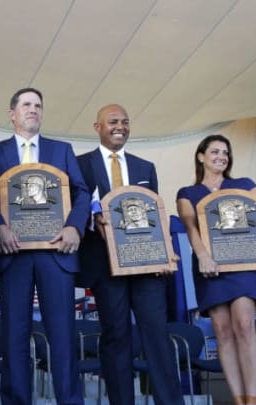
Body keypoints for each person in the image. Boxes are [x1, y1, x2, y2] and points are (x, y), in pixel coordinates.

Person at [0, 88, 89, 405]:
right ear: (12, 113)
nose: (33, 110)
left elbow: (81, 192)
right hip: (13, 255)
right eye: (26, 105)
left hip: (57, 253)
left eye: (38, 105)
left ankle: (70, 401)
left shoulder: (62, 149)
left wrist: (74, 227)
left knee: (63, 337)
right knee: (14, 335)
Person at [76, 104, 184, 405]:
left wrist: (163, 254)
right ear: (97, 127)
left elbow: (155, 216)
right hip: (104, 266)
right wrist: (90, 218)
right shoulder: (80, 164)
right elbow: (74, 206)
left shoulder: (145, 166)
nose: (119, 127)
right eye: (112, 122)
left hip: (147, 266)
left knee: (157, 337)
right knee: (116, 337)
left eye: (125, 122)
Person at [176, 134, 256, 405]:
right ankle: (238, 399)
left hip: (245, 265)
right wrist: (203, 256)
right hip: (210, 268)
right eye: (214, 151)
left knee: (245, 325)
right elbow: (190, 227)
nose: (221, 157)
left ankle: (253, 398)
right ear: (201, 156)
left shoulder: (245, 185)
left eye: (225, 152)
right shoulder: (187, 194)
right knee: (222, 331)